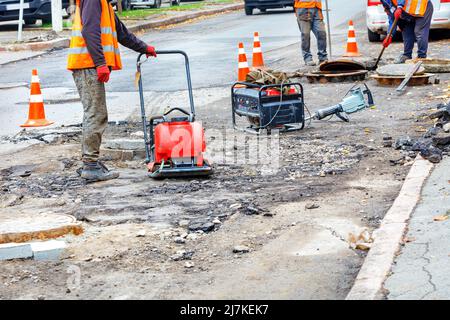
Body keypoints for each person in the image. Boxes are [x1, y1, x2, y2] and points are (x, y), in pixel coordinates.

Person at [67, 0, 157, 182]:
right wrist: (100, 63)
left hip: (89, 64)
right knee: (96, 113)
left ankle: (90, 162)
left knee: (95, 113)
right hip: (87, 64)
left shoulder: (104, 4)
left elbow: (121, 33)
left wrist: (144, 48)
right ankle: (90, 166)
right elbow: (89, 31)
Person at [294, 0, 328, 66]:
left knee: (321, 33)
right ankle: (307, 58)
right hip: (303, 9)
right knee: (305, 35)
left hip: (316, 8)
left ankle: (323, 57)